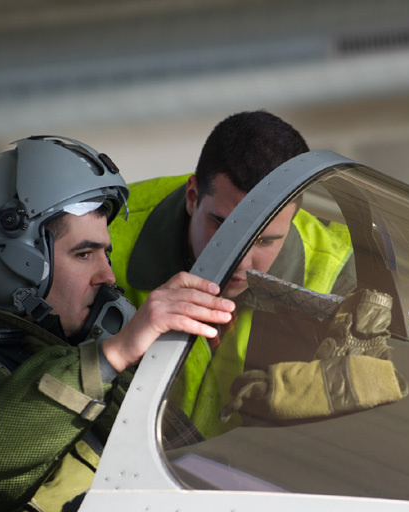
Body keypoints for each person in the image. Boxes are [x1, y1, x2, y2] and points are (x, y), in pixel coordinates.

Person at [0, 135, 234, 512]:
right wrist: (116, 351)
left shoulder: (73, 349)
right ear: (13, 260)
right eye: (84, 253)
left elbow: (190, 465)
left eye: (104, 252)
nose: (108, 275)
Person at [109, 110, 355, 437]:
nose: (241, 262)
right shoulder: (101, 235)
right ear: (193, 196)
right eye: (223, 229)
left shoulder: (340, 269)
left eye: (266, 240)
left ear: (295, 215)